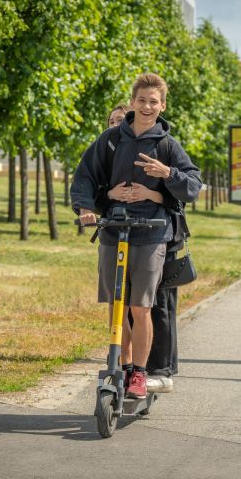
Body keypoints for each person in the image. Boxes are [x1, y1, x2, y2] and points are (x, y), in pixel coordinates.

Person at [71, 73, 202, 399]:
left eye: (153, 101)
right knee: (117, 305)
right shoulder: (111, 140)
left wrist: (166, 174)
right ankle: (123, 367)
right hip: (114, 230)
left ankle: (140, 374)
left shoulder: (167, 145)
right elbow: (85, 176)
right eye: (141, 100)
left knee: (140, 306)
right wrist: (87, 207)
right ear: (132, 102)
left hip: (152, 233)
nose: (147, 106)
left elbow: (193, 185)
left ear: (163, 105)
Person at [106, 102, 187, 394]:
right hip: (122, 235)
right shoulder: (109, 150)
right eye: (112, 121)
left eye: (120, 120)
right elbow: (94, 187)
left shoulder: (159, 146)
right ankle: (126, 367)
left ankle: (159, 370)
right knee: (123, 306)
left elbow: (180, 193)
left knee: (156, 306)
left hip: (160, 235)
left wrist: (154, 191)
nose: (117, 125)